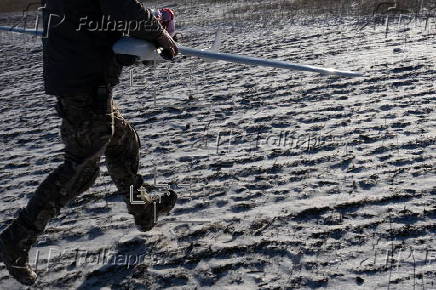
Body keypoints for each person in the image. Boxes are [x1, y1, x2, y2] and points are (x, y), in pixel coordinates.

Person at [0, 0, 178, 286]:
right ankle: (15, 240)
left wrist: (132, 41)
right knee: (81, 170)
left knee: (124, 144)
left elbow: (101, 18)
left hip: (84, 80)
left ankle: (143, 209)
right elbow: (125, 10)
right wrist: (159, 34)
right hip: (83, 87)